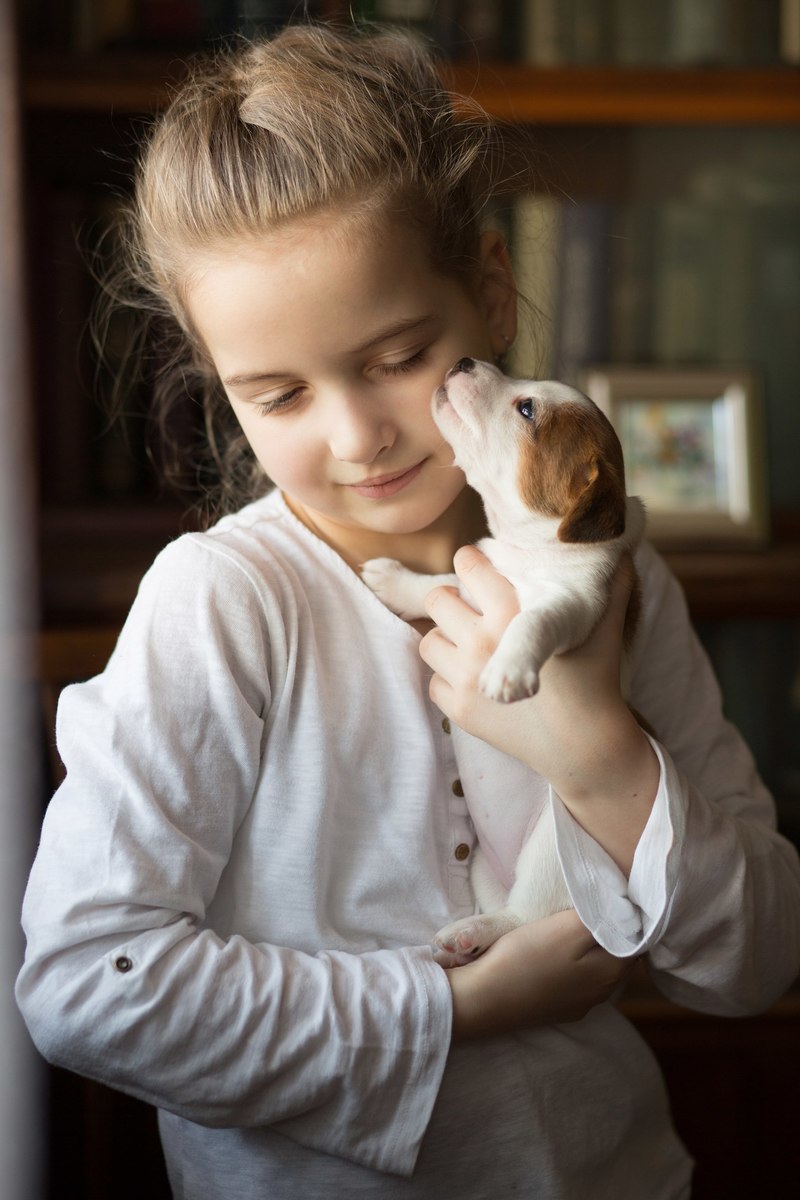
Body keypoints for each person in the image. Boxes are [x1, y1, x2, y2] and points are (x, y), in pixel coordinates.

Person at [16, 21, 800, 1199]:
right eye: (277, 394)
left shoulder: (620, 578)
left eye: (394, 356)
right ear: (218, 376)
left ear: (488, 292)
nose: (354, 435)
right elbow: (88, 986)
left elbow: (753, 965)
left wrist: (597, 754)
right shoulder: (222, 607)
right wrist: (457, 1005)